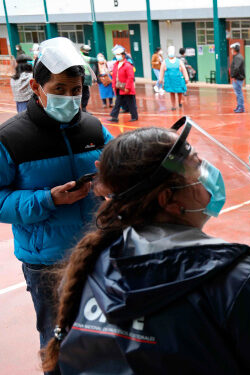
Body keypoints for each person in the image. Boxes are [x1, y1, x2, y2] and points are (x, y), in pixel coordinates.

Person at [40, 121, 250, 374]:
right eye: (196, 168)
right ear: (169, 199)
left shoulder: (93, 263)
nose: (209, 174)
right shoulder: (232, 281)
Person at [0, 37, 113, 371]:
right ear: (36, 86)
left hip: (95, 251)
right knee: (57, 340)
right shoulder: (11, 138)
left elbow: (117, 165)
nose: (69, 97)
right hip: (47, 263)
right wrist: (47, 199)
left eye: (76, 89)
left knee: (101, 333)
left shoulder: (92, 127)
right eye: (60, 88)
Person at [108, 45, 138, 123]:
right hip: (119, 87)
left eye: (119, 55)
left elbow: (130, 77)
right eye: (116, 55)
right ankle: (114, 117)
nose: (117, 56)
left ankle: (134, 116)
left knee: (131, 103)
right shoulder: (116, 64)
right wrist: (113, 86)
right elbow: (114, 76)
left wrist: (127, 87)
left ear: (123, 55)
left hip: (126, 88)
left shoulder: (128, 65)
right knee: (117, 102)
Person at [158, 46, 189, 111]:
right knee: (172, 93)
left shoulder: (179, 61)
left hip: (178, 80)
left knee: (180, 92)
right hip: (170, 80)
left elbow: (184, 69)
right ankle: (173, 106)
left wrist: (186, 78)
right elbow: (161, 70)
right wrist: (160, 79)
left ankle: (180, 102)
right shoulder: (165, 62)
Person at [80, 45, 98, 112]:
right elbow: (92, 60)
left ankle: (83, 109)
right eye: (85, 50)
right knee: (84, 94)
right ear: (82, 50)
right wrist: (99, 59)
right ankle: (82, 109)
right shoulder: (81, 56)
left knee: (85, 94)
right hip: (82, 78)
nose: (87, 52)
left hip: (84, 79)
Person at [230, 43, 246, 113]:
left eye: (232, 49)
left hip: (237, 78)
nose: (231, 51)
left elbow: (236, 68)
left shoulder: (237, 57)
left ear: (235, 49)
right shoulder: (238, 57)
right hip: (238, 78)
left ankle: (241, 107)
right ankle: (239, 106)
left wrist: (233, 76)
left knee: (239, 93)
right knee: (238, 93)